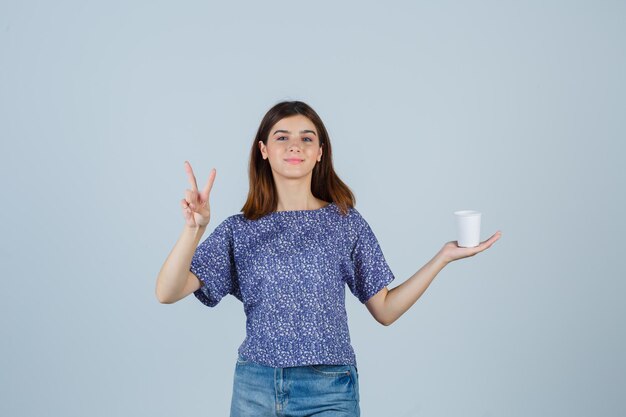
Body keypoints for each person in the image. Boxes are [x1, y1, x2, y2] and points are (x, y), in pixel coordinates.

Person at [155, 100, 502, 417]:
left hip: (328, 390)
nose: (295, 145)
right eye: (282, 137)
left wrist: (442, 257)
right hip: (255, 386)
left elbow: (385, 310)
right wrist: (194, 229)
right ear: (263, 149)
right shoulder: (239, 230)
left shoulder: (345, 223)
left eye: (307, 138)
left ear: (320, 152)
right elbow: (167, 292)